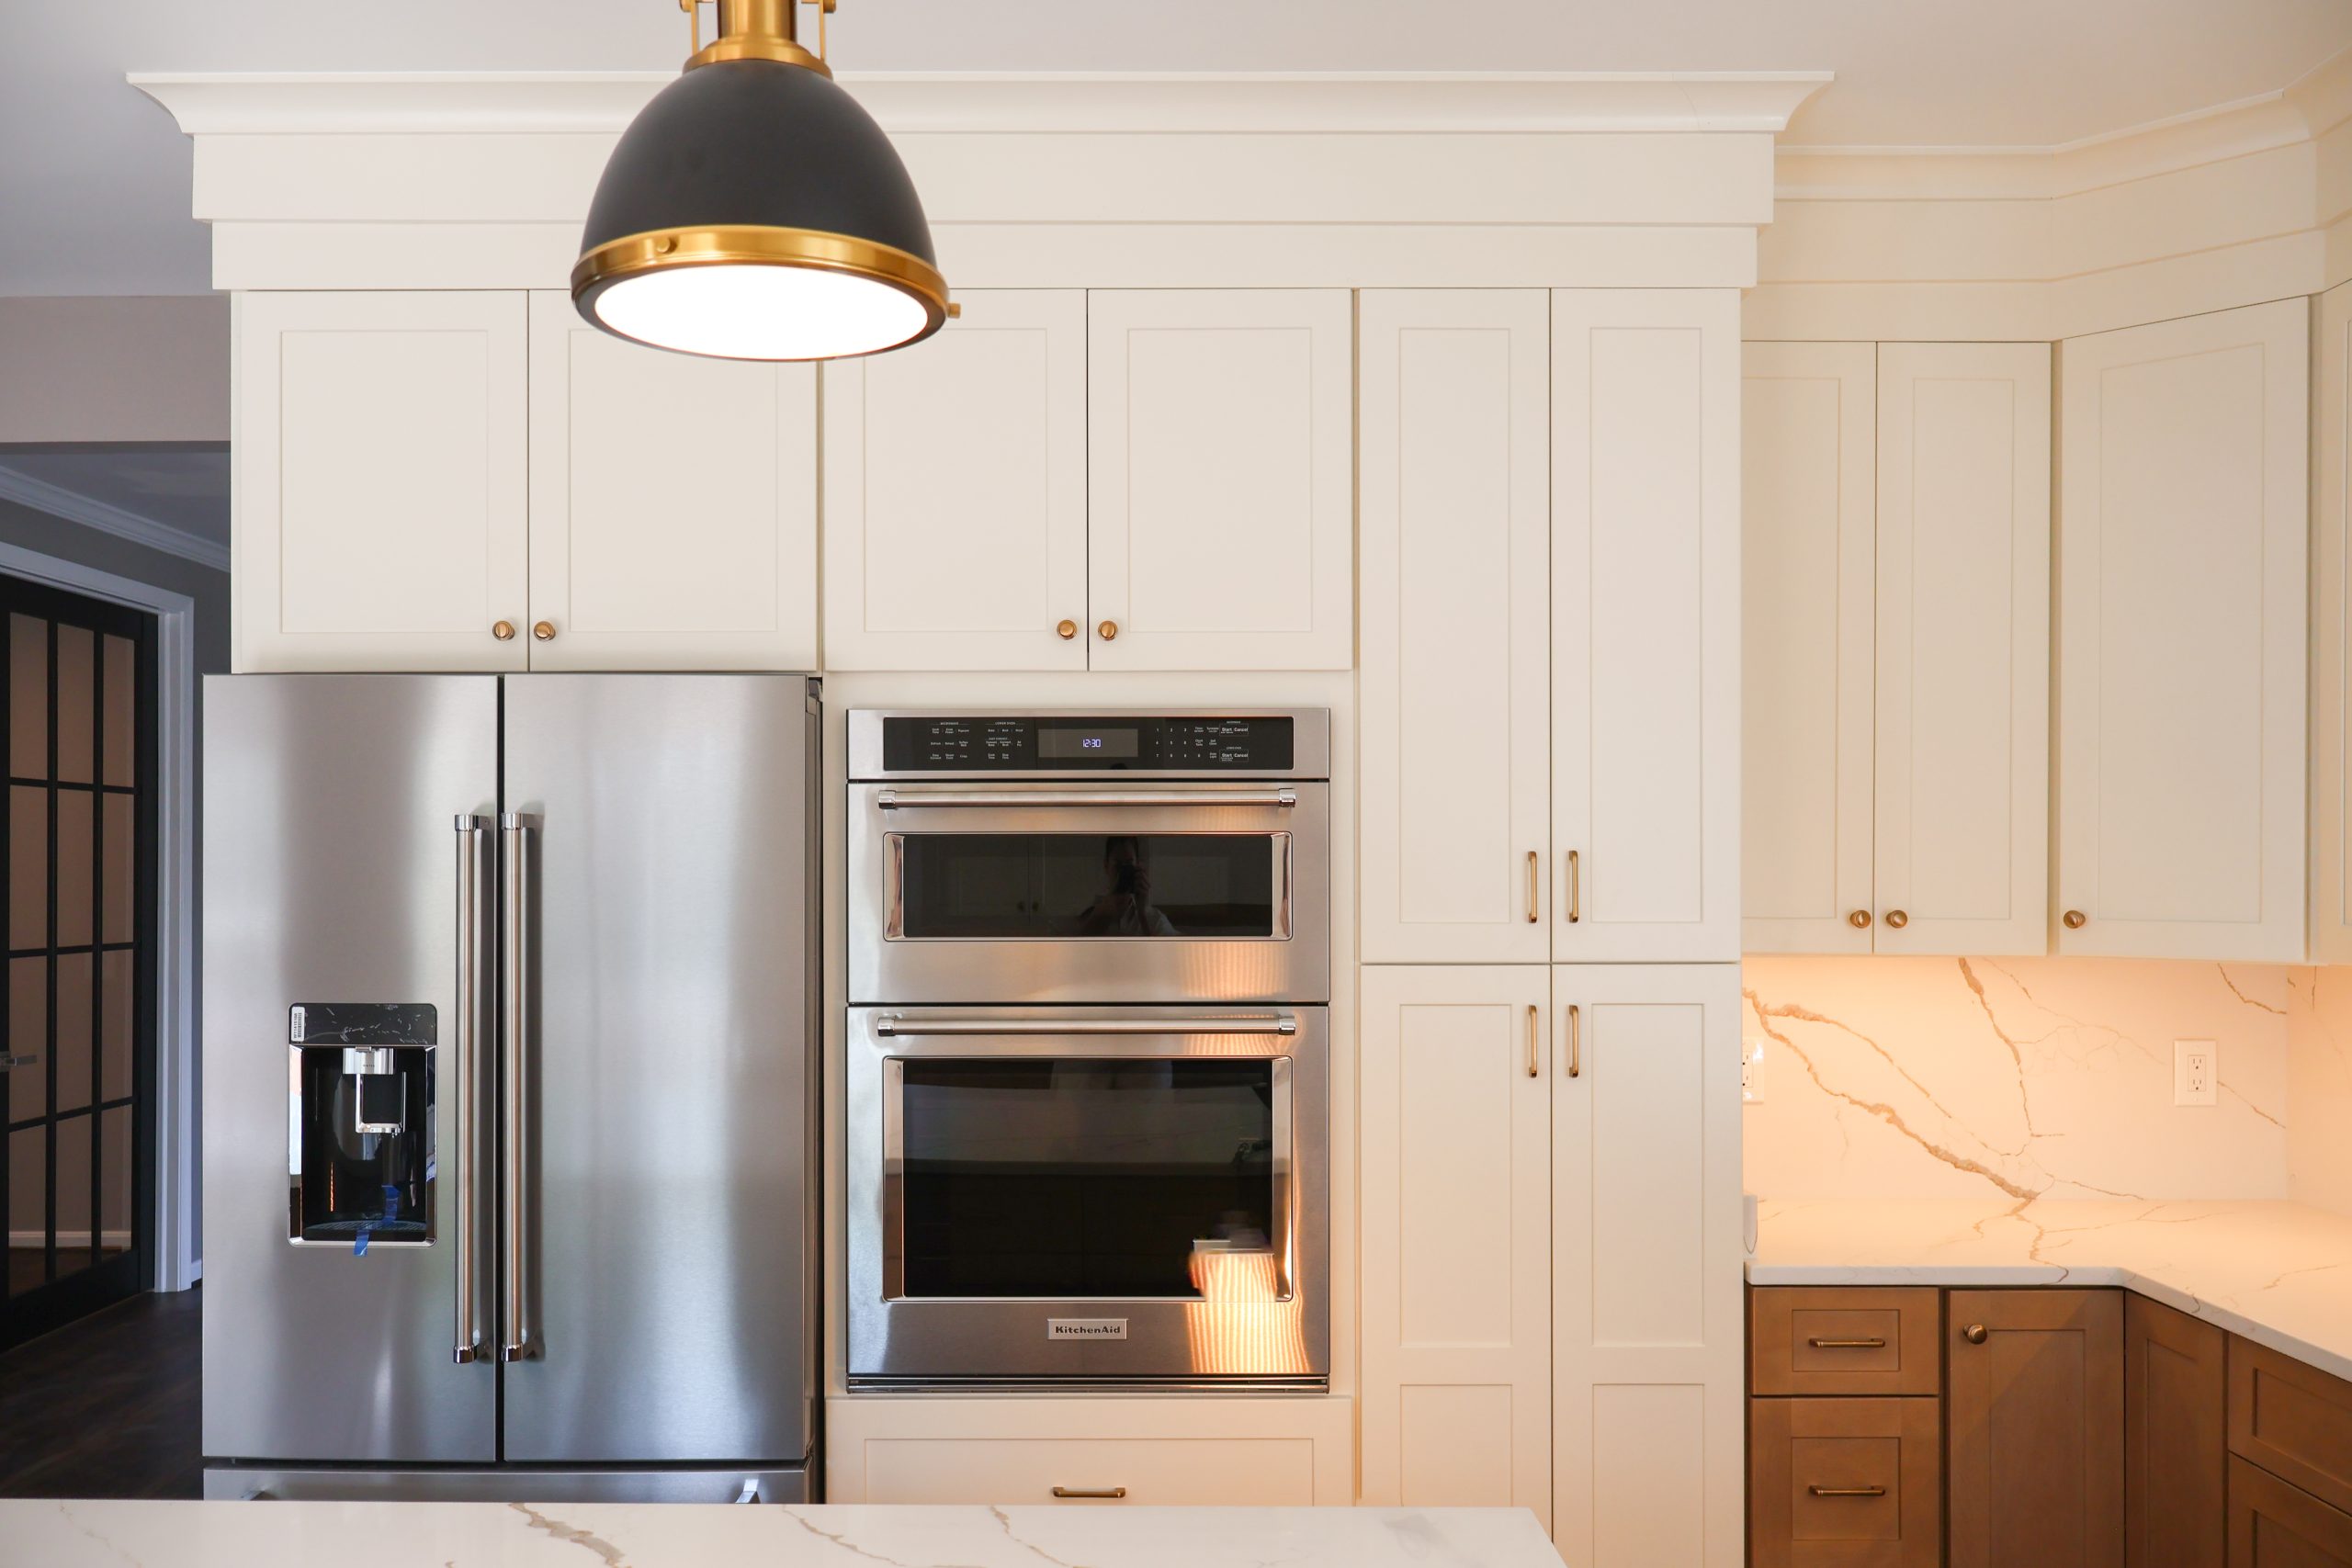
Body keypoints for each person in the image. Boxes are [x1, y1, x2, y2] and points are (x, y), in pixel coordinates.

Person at [1075, 835, 1179, 935]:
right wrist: (1103, 912)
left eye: (1129, 865)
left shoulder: (1154, 918)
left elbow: (1174, 950)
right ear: (1106, 866)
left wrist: (1142, 914)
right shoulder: (1087, 917)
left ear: (1137, 866)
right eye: (1118, 865)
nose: (1123, 872)